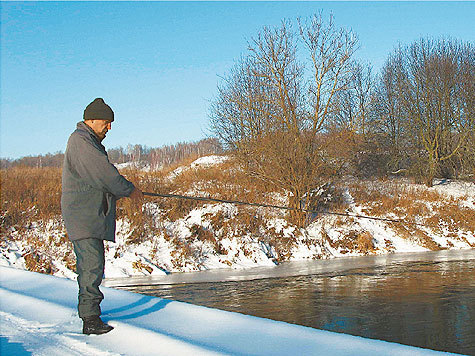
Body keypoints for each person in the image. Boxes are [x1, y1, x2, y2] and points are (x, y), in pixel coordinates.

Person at [61, 98, 143, 335]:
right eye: (106, 122)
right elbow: (104, 175)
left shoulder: (86, 141)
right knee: (91, 267)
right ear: (92, 119)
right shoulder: (81, 141)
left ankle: (90, 315)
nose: (109, 127)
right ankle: (90, 320)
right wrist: (129, 190)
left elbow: (100, 178)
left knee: (92, 265)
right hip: (83, 217)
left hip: (87, 215)